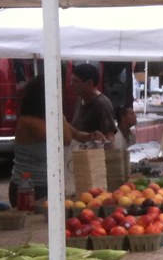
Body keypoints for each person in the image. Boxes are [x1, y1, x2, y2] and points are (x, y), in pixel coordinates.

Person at [9, 76, 98, 205]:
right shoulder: (28, 122)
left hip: (47, 185)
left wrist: (91, 136)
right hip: (29, 189)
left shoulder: (48, 119)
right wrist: (59, 112)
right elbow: (66, 139)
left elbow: (77, 134)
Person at [70, 63, 117, 143]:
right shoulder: (80, 99)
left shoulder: (102, 104)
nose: (71, 84)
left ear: (89, 83)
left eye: (75, 81)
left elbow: (109, 136)